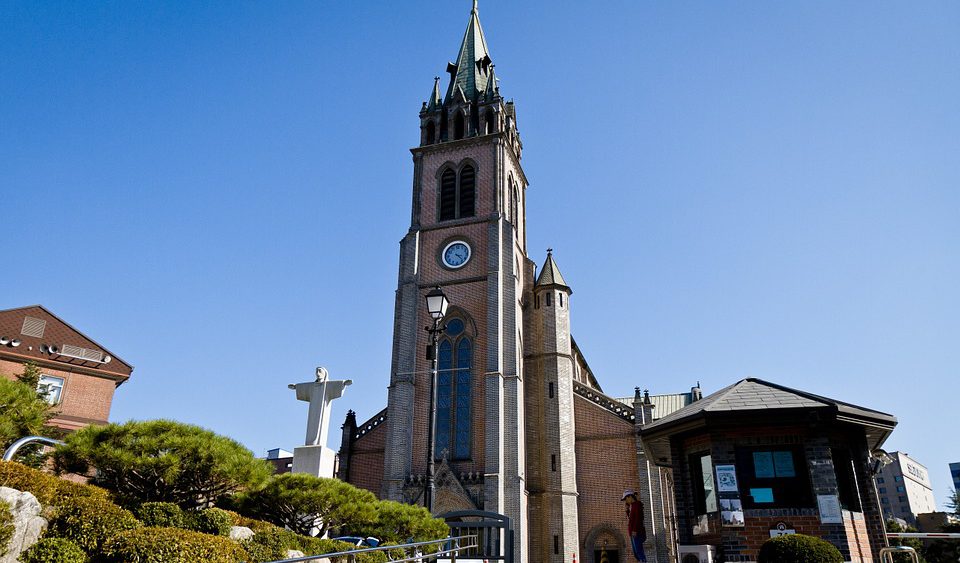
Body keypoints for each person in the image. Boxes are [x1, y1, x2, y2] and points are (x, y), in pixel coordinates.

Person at [622, 489, 647, 562]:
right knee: (636, 553)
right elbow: (631, 519)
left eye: (626, 499)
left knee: (639, 551)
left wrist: (635, 530)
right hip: (633, 533)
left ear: (630, 497)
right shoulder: (632, 506)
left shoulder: (637, 505)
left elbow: (638, 518)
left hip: (637, 532)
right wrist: (627, 511)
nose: (625, 501)